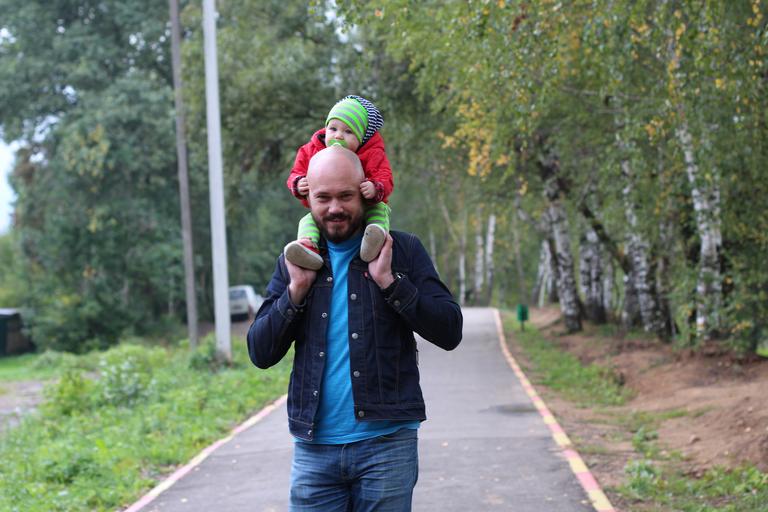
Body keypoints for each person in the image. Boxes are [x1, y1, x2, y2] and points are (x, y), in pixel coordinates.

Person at [248, 146, 463, 511]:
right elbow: (260, 351)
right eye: (323, 198)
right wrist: (296, 291)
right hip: (315, 450)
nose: (335, 208)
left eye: (345, 196)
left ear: (365, 192)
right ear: (308, 198)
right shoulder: (296, 260)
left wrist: (390, 282)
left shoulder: (403, 250)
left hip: (387, 445)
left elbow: (449, 330)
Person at [283, 95, 394, 270]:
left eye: (348, 132)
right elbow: (296, 171)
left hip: (369, 204)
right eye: (333, 129)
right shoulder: (313, 149)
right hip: (319, 220)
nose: (338, 136)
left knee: (379, 210)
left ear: (362, 137)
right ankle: (307, 247)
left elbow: (385, 176)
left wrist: (375, 187)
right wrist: (297, 183)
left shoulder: (372, 153)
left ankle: (375, 238)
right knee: (308, 220)